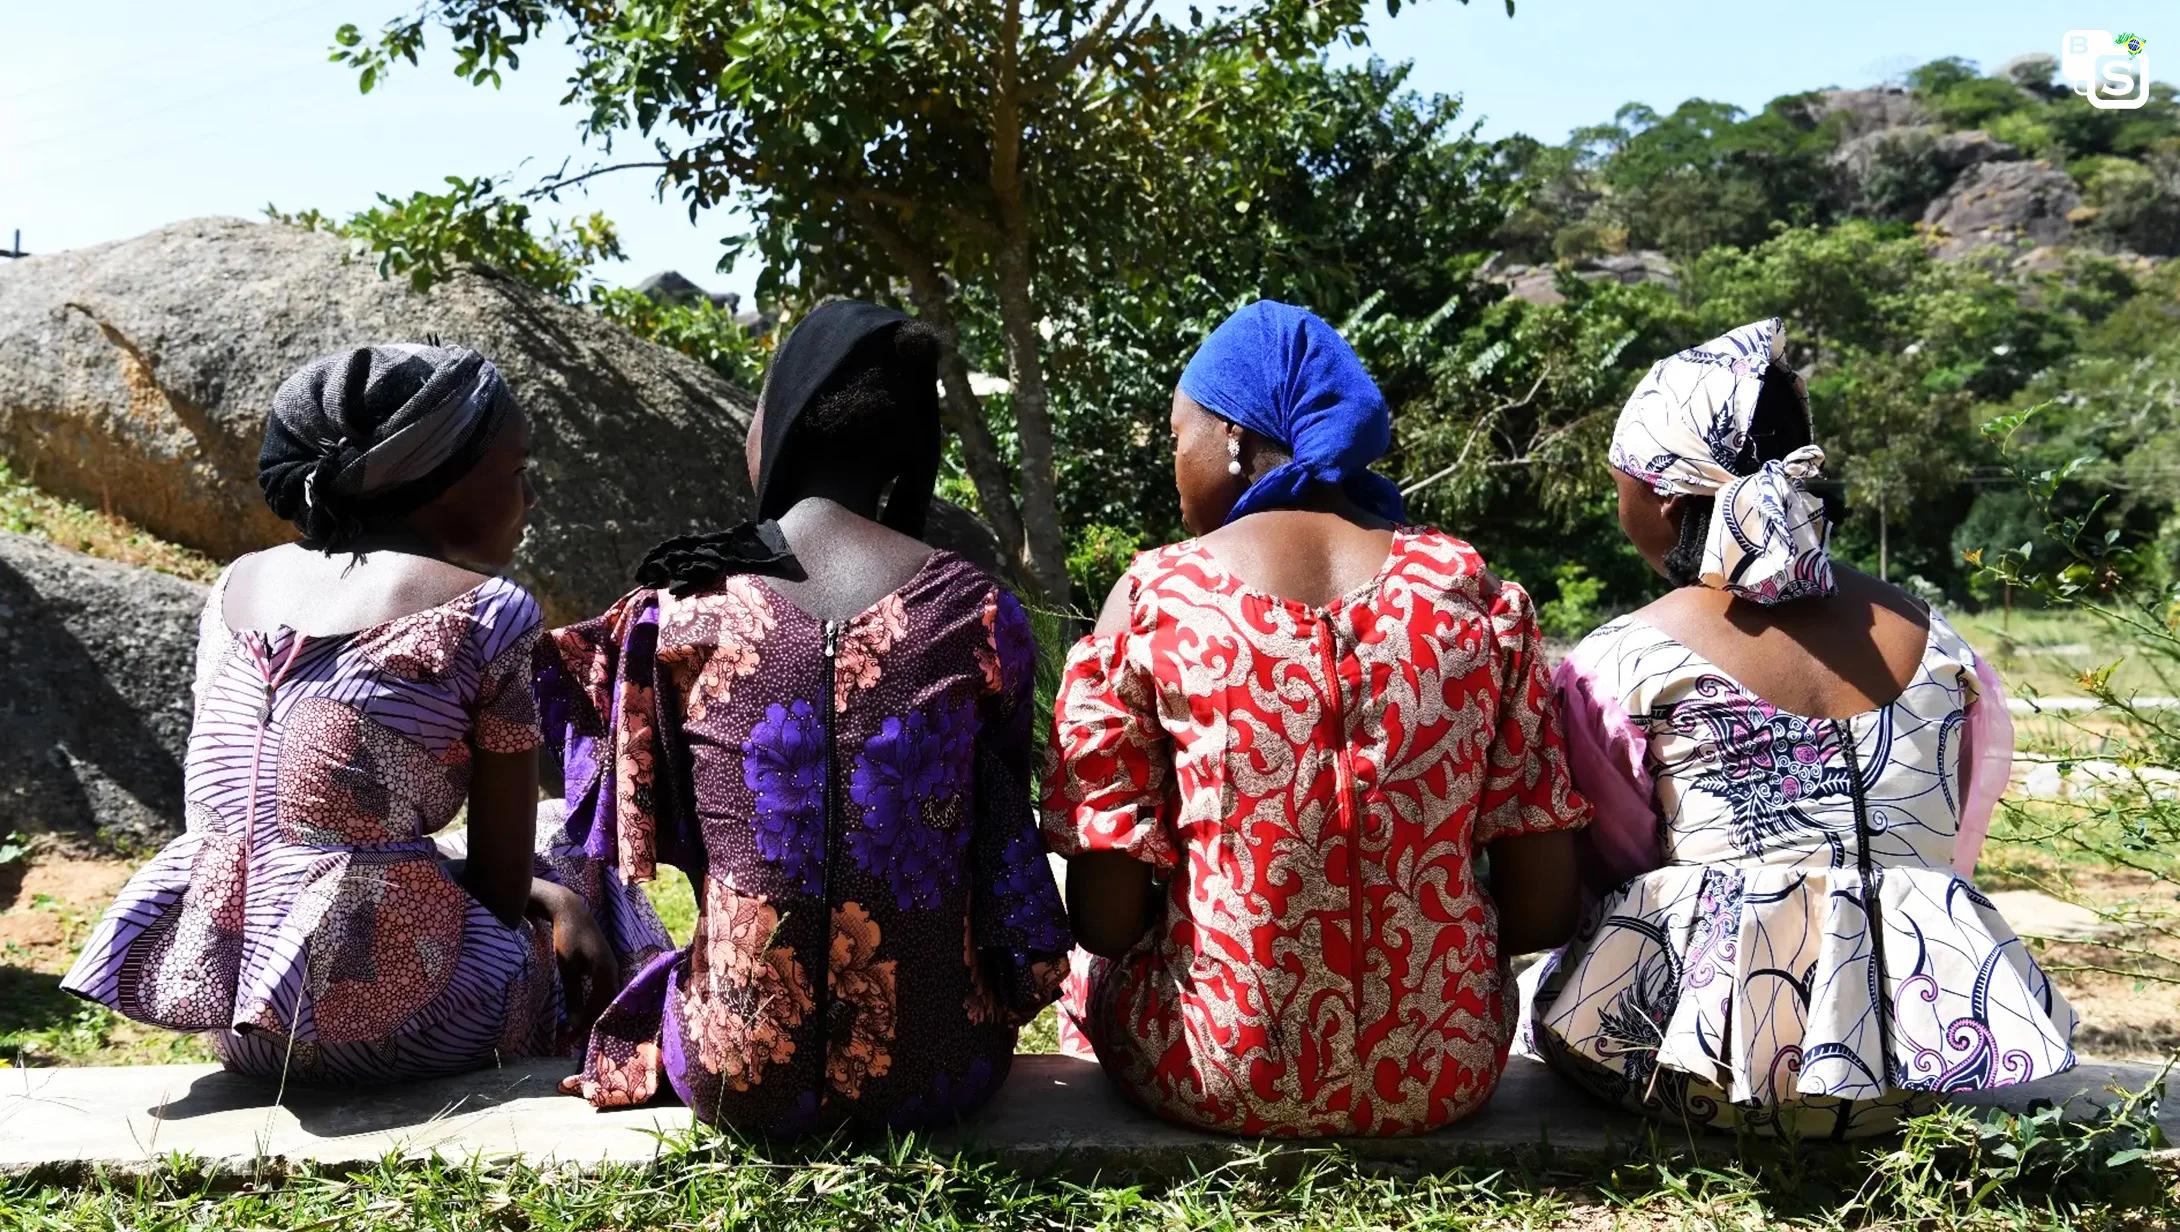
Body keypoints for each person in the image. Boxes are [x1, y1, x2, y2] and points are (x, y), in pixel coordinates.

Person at [1041, 300, 1589, 1137]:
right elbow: (1542, 912)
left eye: (1178, 438)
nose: (1175, 468)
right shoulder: (1469, 592)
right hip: (1445, 1069)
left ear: (1231, 436)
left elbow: (1106, 922)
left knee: (1087, 972)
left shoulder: (1161, 598)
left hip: (1218, 1071)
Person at [1519, 318, 2078, 1139]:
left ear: (1663, 497)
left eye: (1619, 488)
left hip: (1709, 1070)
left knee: (1546, 998)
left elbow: (1615, 873)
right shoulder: (1939, 642)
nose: (1619, 508)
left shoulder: (1623, 658)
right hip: (1918, 1065)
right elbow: (1939, 848)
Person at [62, 343, 667, 1083]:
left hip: (240, 1021)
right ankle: (613, 1039)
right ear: (440, 480)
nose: (532, 497)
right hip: (407, 1026)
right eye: (517, 471)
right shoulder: (488, 610)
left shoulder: (234, 586)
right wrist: (557, 897)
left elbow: (288, 837)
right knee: (572, 837)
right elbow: (500, 889)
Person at [539, 300, 1070, 1132]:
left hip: (739, 1074)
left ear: (781, 422)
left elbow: (652, 804)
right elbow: (998, 810)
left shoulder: (681, 612)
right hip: (940, 1069)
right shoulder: (978, 612)